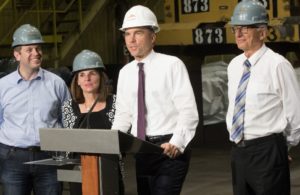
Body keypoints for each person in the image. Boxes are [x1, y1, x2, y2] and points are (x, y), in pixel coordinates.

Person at [112, 5, 199, 195]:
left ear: (153, 37)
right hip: (141, 150)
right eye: (127, 34)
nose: (132, 40)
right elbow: (124, 114)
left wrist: (177, 142)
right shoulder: (125, 73)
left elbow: (188, 111)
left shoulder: (172, 65)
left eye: (138, 33)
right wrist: (110, 141)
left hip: (168, 150)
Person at [226, 1, 300, 194]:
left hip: (267, 151)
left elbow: (295, 113)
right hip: (238, 151)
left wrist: (285, 149)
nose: (238, 34)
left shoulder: (278, 65)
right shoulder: (234, 65)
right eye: (235, 28)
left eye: (245, 28)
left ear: (262, 32)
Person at [0, 24, 70, 194]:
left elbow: (68, 120)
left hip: (49, 158)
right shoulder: (3, 86)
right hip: (12, 159)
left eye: (38, 48)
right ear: (17, 55)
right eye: (29, 49)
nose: (36, 53)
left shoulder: (57, 84)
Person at [62, 49, 124, 195]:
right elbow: (67, 144)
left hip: (110, 170)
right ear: (77, 80)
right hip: (79, 173)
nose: (87, 79)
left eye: (92, 73)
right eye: (82, 75)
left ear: (101, 77)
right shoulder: (68, 107)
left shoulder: (116, 103)